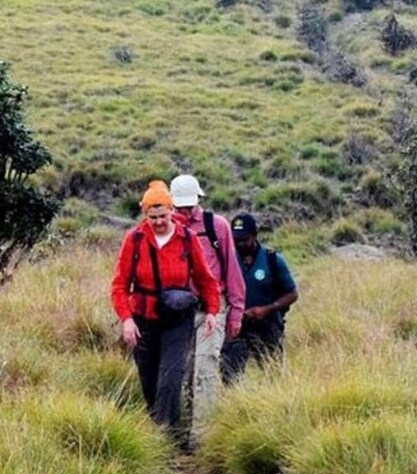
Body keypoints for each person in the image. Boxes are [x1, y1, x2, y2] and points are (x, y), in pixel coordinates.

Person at [110, 181, 220, 438]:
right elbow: (119, 285)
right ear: (145, 215)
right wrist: (126, 320)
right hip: (143, 319)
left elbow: (205, 279)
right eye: (152, 217)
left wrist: (213, 311)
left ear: (172, 211)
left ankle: (165, 439)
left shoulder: (187, 239)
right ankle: (159, 428)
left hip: (177, 319)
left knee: (170, 379)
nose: (158, 222)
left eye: (163, 216)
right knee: (149, 381)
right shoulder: (134, 240)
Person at [169, 174, 245, 443]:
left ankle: (203, 438)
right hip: (178, 314)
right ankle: (183, 430)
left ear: (199, 199)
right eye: (179, 207)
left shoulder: (217, 227)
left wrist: (236, 312)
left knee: (206, 369)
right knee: (183, 371)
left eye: (188, 206)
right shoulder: (165, 228)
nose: (185, 212)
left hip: (212, 310)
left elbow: (232, 271)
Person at [220, 213, 298, 385]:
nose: (239, 244)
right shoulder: (227, 260)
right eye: (235, 239)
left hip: (268, 326)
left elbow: (292, 294)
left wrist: (266, 309)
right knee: (230, 377)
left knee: (273, 375)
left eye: (244, 239)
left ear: (255, 235)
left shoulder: (272, 259)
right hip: (236, 327)